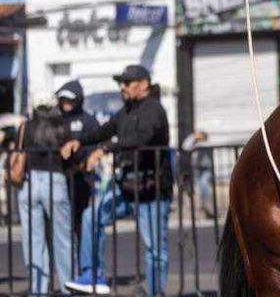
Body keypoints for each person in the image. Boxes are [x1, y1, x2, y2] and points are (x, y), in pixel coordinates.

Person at [60, 65, 173, 295]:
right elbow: (104, 130)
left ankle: (155, 293)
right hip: (127, 186)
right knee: (91, 216)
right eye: (120, 82)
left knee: (154, 250)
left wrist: (105, 148)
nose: (122, 87)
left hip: (152, 190)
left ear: (143, 84)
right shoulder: (126, 111)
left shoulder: (154, 109)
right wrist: (79, 141)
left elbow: (142, 138)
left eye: (127, 82)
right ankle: (93, 274)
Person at [17, 105, 74, 294]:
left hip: (31, 181)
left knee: (34, 240)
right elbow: (69, 157)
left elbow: (19, 151)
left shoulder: (26, 127)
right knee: (63, 239)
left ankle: (38, 289)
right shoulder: (62, 127)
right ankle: (69, 287)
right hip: (55, 179)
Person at [55, 80, 100, 248]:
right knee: (60, 223)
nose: (66, 104)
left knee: (80, 221)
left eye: (70, 100)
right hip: (59, 177)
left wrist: (85, 161)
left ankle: (83, 261)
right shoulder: (57, 120)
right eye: (63, 99)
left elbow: (95, 143)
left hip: (81, 178)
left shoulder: (88, 120)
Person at [180, 131, 214, 219]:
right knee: (199, 188)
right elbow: (185, 146)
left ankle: (207, 207)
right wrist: (193, 137)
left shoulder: (205, 144)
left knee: (204, 186)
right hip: (196, 169)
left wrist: (194, 138)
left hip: (205, 169)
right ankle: (202, 208)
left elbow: (188, 146)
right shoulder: (196, 144)